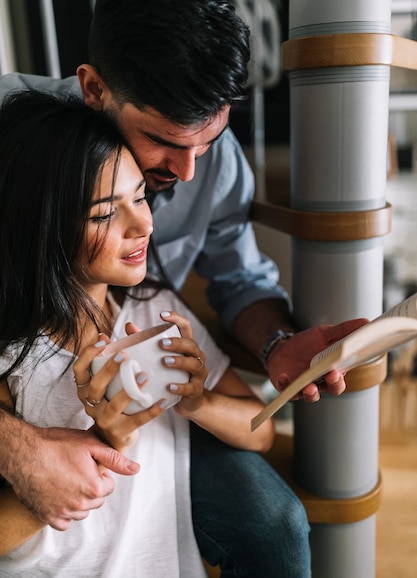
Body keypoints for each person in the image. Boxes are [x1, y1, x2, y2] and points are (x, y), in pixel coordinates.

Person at [0, 0, 366, 571]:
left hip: (158, 415)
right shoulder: (13, 144)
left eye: (209, 139)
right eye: (166, 142)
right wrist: (14, 445)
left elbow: (240, 281)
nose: (189, 173)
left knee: (276, 527)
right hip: (27, 403)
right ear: (94, 89)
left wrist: (276, 343)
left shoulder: (205, 173)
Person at [0, 90, 296, 577]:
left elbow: (260, 431)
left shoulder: (155, 309)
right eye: (103, 213)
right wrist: (104, 437)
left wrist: (199, 402)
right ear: (41, 229)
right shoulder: (15, 357)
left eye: (139, 197)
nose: (142, 224)